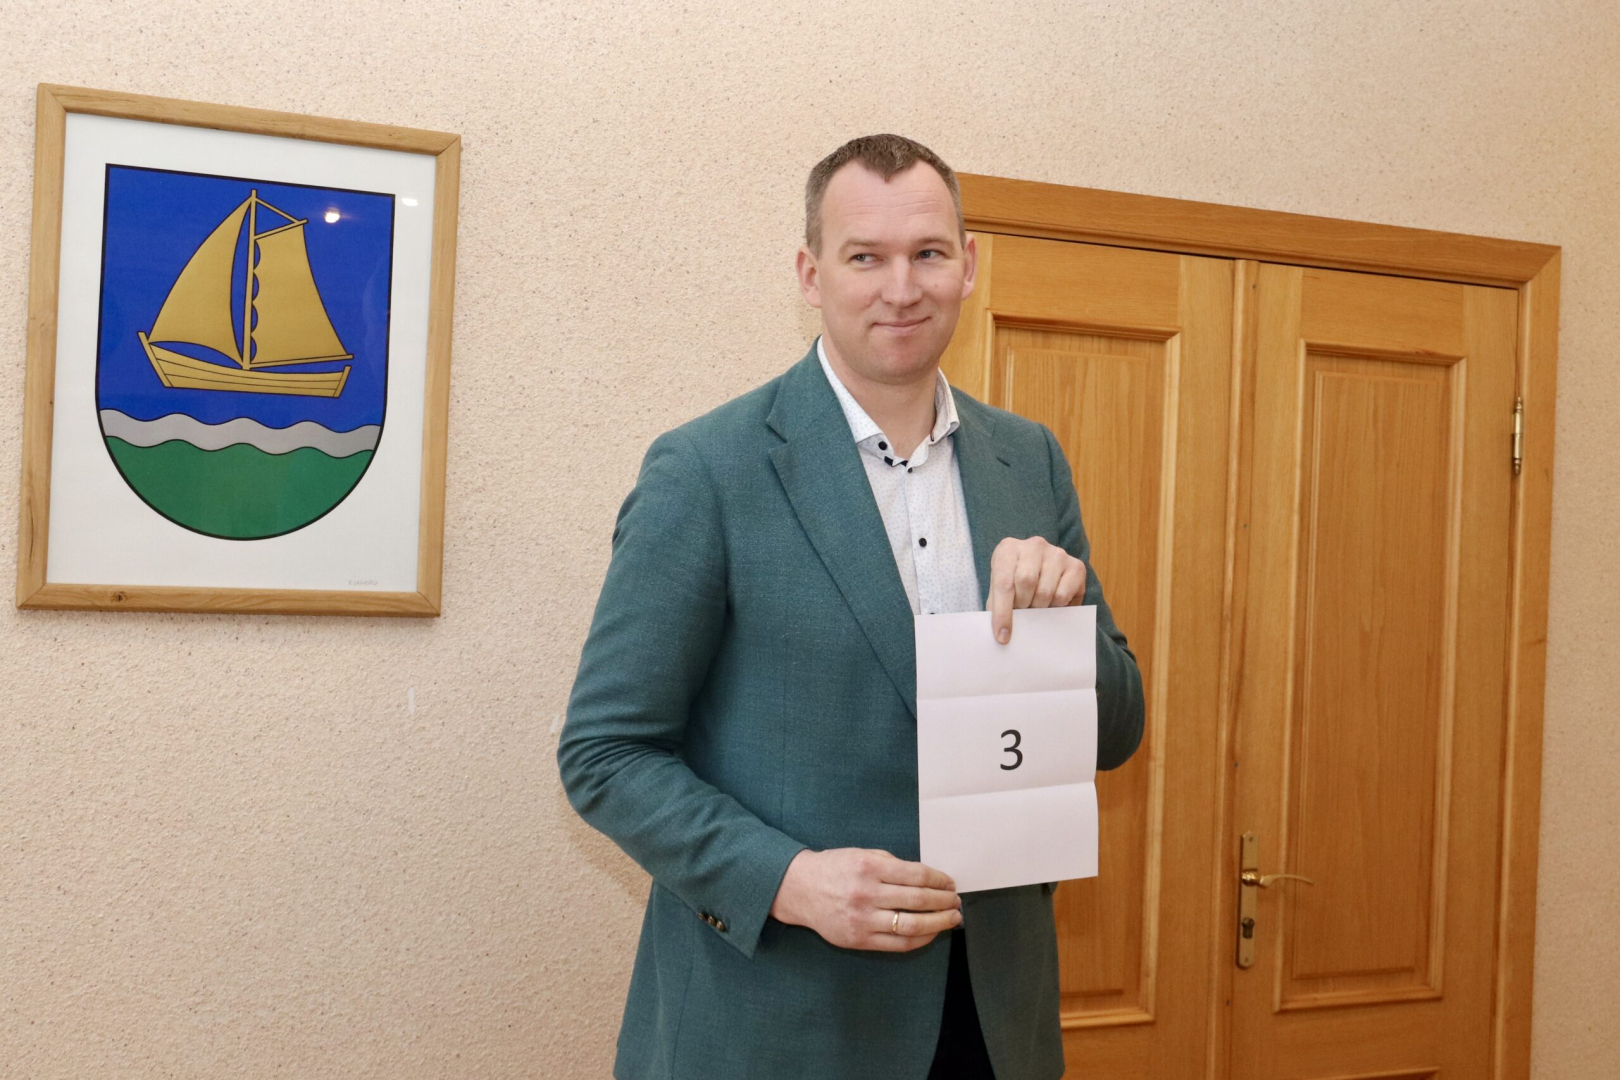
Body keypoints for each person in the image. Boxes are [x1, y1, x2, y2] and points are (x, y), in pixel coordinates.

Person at [558, 134, 1144, 1080]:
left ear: (969, 265)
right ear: (811, 274)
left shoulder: (1028, 460)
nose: (900, 289)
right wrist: (789, 881)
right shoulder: (708, 469)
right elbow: (606, 753)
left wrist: (1058, 629)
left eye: (928, 254)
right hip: (782, 1024)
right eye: (865, 256)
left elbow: (1114, 733)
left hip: (995, 1023)